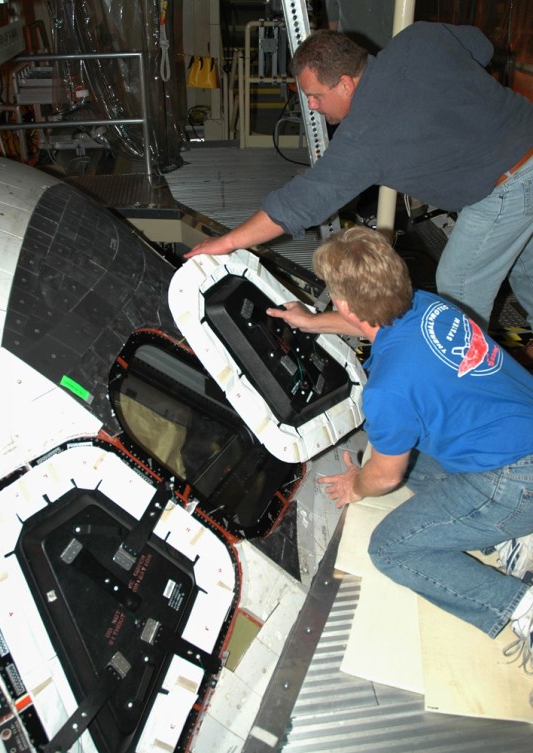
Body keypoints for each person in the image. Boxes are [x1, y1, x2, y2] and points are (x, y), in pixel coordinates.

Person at [266, 224, 533, 673]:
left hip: (516, 481)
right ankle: (508, 529)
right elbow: (373, 323)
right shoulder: (429, 306)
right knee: (414, 467)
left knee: (392, 548)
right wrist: (311, 321)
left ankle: (518, 603)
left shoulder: (387, 390)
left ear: (347, 303)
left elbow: (385, 476)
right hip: (518, 437)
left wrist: (357, 486)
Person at [186, 23, 533, 365]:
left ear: (346, 84)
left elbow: (299, 204)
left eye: (316, 96)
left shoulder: (365, 135)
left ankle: (462, 391)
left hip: (507, 187)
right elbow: (480, 45)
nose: (313, 106)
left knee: (454, 296)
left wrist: (228, 242)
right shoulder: (419, 38)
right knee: (525, 271)